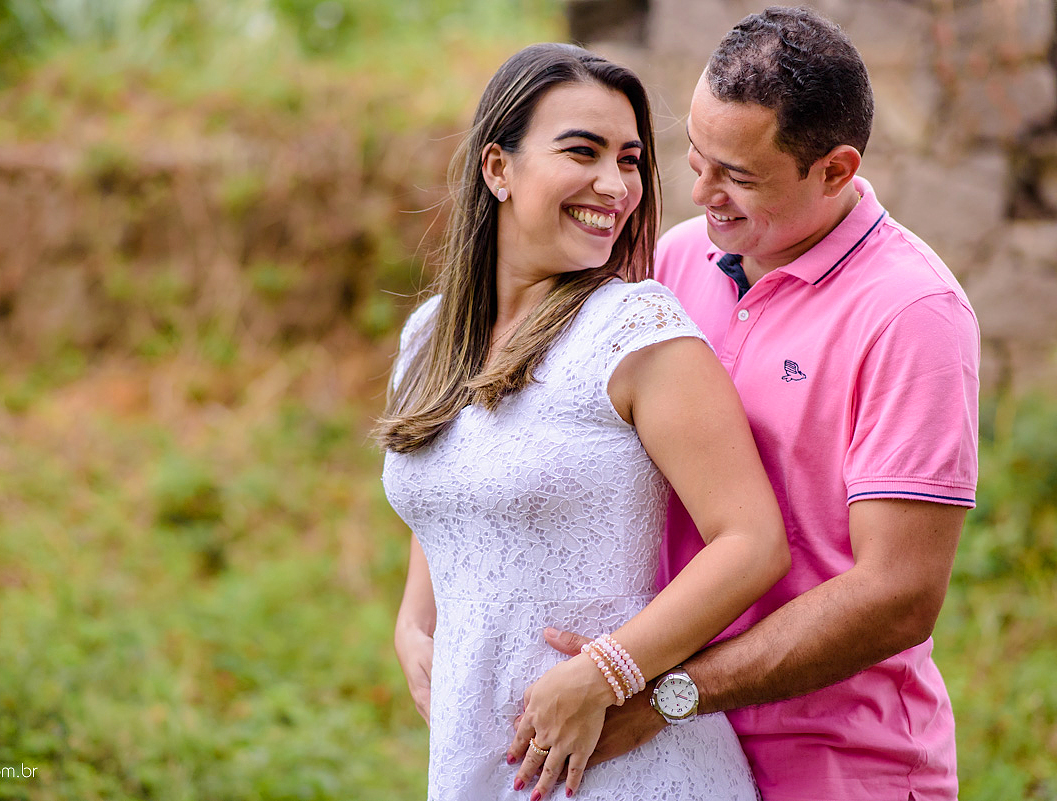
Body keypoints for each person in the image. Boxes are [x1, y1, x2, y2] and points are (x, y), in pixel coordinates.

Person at [540, 7, 980, 801]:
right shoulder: (681, 256)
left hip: (839, 763)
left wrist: (668, 695)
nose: (702, 193)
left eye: (739, 176)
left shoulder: (913, 313)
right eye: (695, 156)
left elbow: (897, 596)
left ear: (836, 171)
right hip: (676, 757)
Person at [377, 42, 789, 800]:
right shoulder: (428, 337)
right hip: (484, 758)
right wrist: (413, 622)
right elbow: (451, 490)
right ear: (497, 167)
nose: (615, 184)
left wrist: (608, 672)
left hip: (625, 762)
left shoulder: (637, 330)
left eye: (629, 159)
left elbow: (753, 541)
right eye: (583, 151)